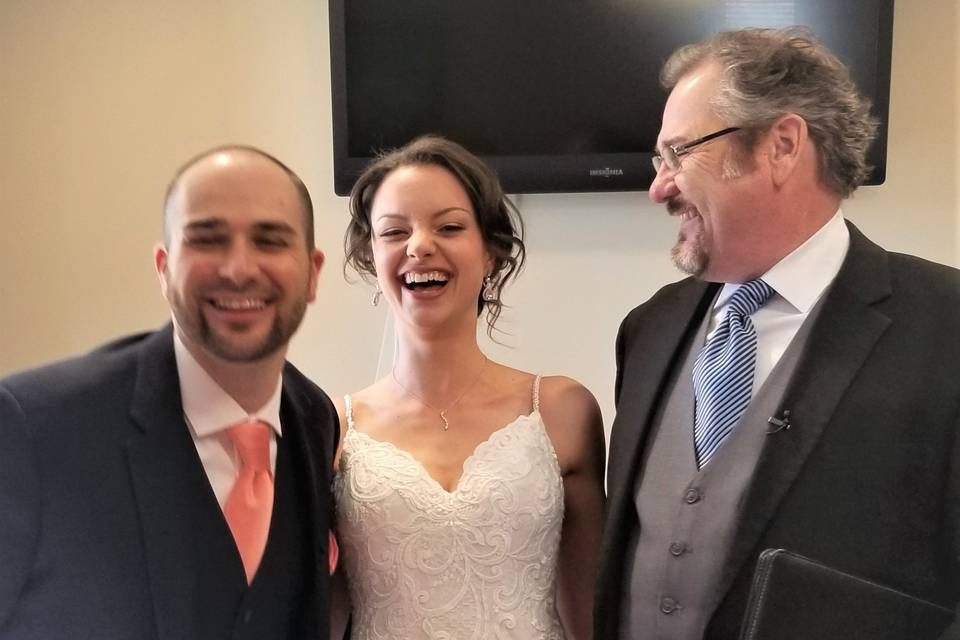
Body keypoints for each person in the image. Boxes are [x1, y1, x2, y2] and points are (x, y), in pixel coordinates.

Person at [595, 27, 960, 640]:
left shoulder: (945, 326)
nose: (659, 186)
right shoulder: (648, 329)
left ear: (782, 145)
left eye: (679, 154)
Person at [0, 146, 338, 639]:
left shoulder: (315, 418)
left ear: (312, 274)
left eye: (269, 241)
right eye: (208, 239)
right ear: (163, 267)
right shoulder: (33, 427)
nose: (239, 268)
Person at [333, 135, 606, 639]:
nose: (418, 246)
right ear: (372, 258)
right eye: (394, 232)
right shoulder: (334, 427)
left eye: (449, 226)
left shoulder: (562, 410)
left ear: (491, 254)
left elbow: (592, 611)